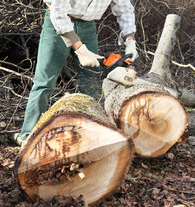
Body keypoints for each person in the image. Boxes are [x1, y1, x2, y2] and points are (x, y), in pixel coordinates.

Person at [14, 0, 138, 145]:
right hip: (58, 24)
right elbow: (58, 13)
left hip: (88, 26)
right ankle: (27, 136)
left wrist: (130, 40)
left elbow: (124, 8)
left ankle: (96, 136)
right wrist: (80, 49)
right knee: (45, 83)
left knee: (92, 83)